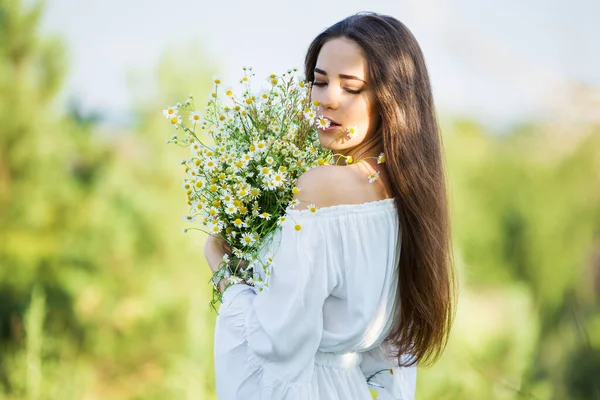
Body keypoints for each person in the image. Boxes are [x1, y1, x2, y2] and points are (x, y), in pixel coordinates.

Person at [204, 12, 456, 400]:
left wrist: (225, 272)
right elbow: (387, 350)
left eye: (350, 87)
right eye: (319, 82)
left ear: (393, 98)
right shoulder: (410, 194)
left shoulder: (321, 186)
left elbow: (278, 343)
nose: (326, 99)